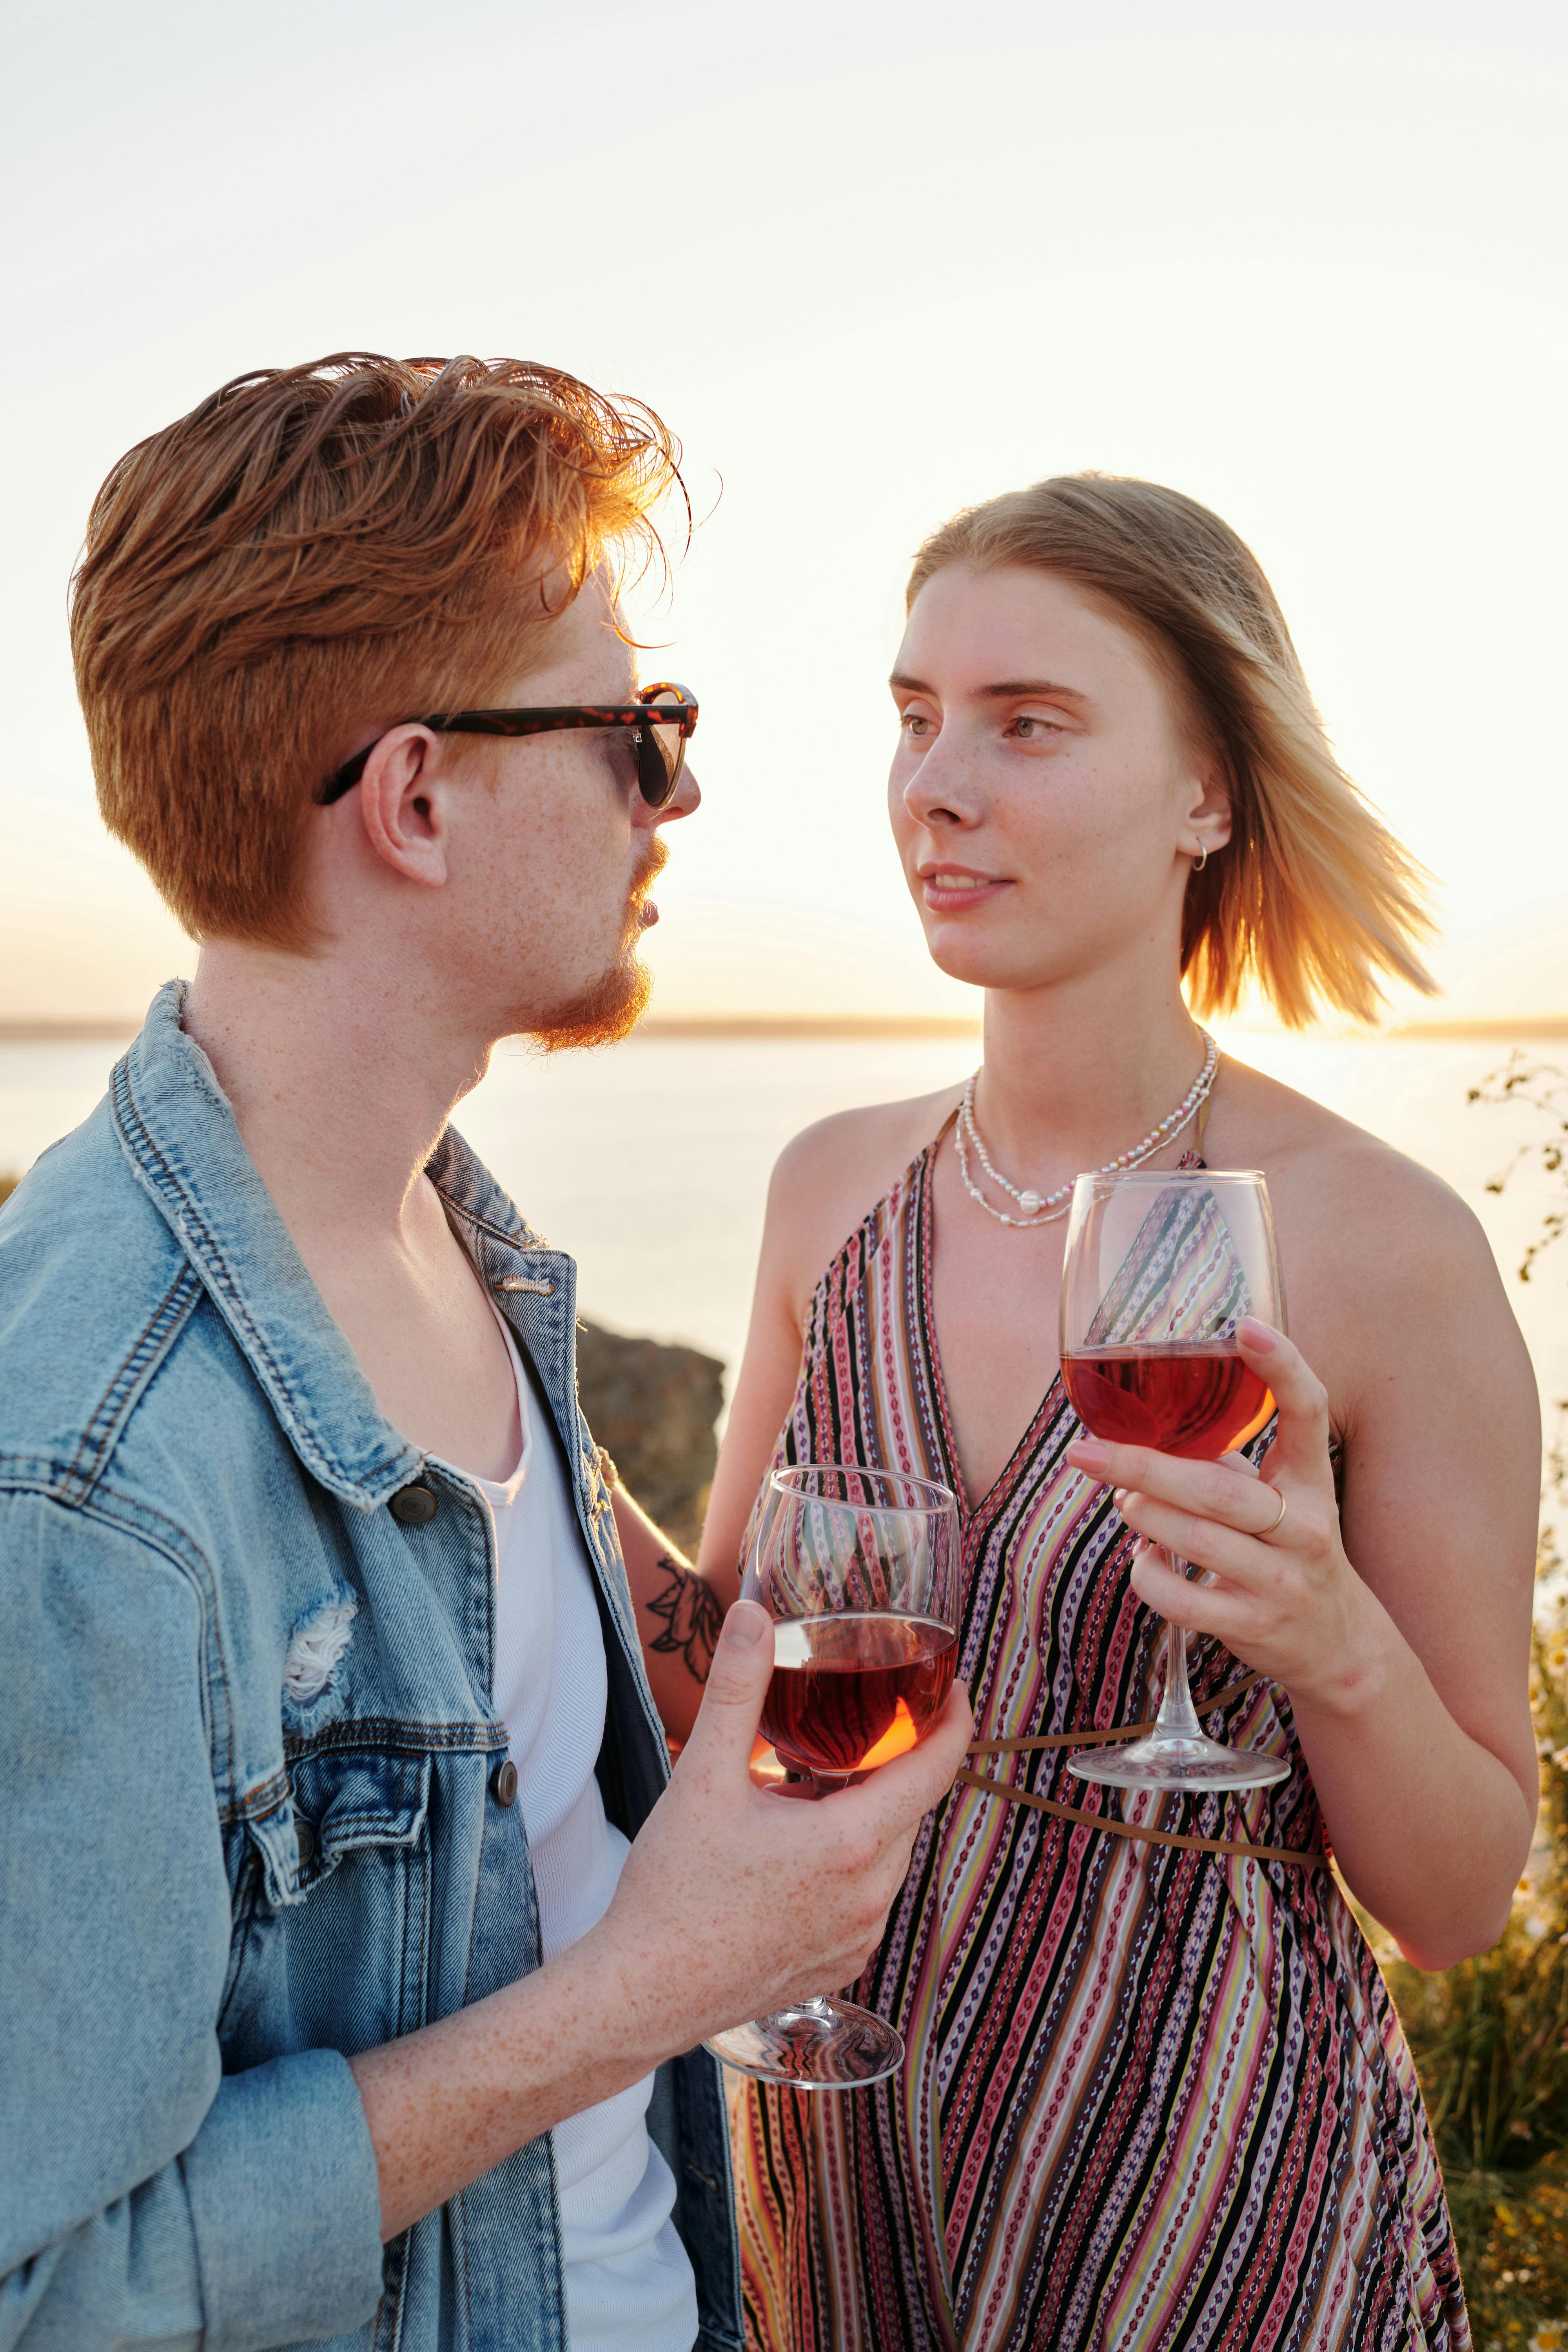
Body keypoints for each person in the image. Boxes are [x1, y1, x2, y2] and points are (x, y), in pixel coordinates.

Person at [0, 353, 973, 2352]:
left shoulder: (454, 1227)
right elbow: (55, 2290)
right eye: (635, 728)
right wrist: (660, 1977)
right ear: (417, 797)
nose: (677, 792)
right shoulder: (89, 1478)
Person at [698, 475, 1540, 2350]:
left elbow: (1465, 1895)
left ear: (1208, 796)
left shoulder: (1380, 1248)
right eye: (913, 719)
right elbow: (718, 1691)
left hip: (1202, 2195)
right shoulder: (827, 1192)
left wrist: (1333, 1648)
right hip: (829, 2157)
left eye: (1027, 725)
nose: (937, 784)